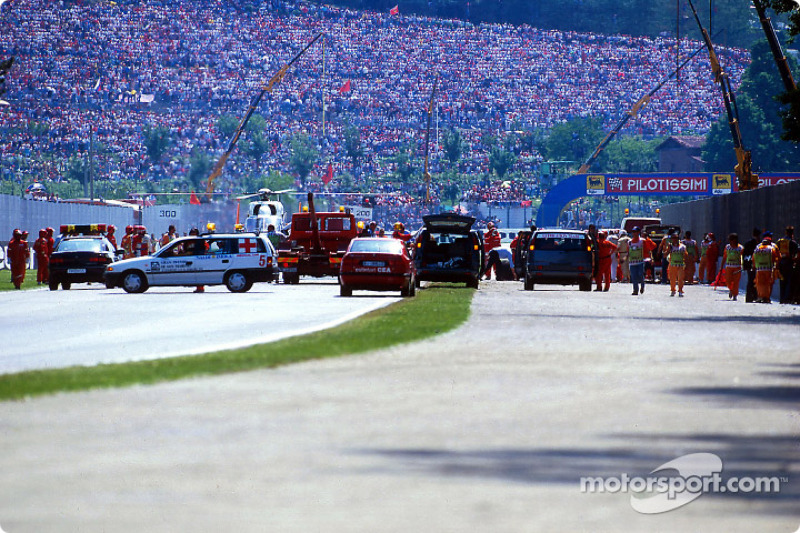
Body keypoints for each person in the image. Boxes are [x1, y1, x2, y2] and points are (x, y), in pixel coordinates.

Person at [752, 232, 780, 303]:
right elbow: (777, 257)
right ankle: (766, 297)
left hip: (759, 269)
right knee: (768, 284)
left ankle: (760, 296)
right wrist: (776, 266)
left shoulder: (758, 247)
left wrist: (754, 266)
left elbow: (753, 258)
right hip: (769, 268)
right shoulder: (772, 247)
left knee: (759, 283)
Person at [775, 226, 798, 304]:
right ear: (792, 233)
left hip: (781, 263)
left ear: (785, 232)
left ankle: (782, 299)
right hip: (789, 263)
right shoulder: (792, 242)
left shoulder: (779, 241)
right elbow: (796, 254)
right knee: (789, 281)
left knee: (782, 281)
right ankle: (787, 298)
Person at [722, 233, 744, 301]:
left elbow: (742, 258)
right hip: (728, 266)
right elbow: (724, 256)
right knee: (728, 281)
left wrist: (742, 265)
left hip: (737, 267)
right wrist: (721, 266)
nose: (731, 242)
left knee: (736, 282)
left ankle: (735, 295)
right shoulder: (727, 247)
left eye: (732, 240)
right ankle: (731, 289)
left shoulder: (740, 248)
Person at [742, 227, 761, 303]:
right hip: (755, 265)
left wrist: (745, 264)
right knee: (753, 281)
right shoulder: (758, 244)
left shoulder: (747, 243)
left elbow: (744, 255)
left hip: (749, 264)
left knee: (751, 280)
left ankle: (750, 297)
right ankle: (754, 296)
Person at [666, 232, 688, 297]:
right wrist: (668, 249)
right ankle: (673, 290)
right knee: (672, 278)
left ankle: (680, 290)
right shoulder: (670, 246)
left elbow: (686, 255)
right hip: (672, 264)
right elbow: (666, 254)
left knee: (680, 278)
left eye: (676, 238)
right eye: (673, 238)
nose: (674, 239)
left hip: (680, 264)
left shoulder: (683, 246)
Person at [628, 227, 646, 295]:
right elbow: (628, 251)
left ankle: (642, 286)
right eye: (633, 232)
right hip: (632, 262)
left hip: (640, 262)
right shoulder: (629, 242)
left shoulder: (642, 241)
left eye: (635, 232)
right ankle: (635, 290)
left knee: (640, 275)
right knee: (634, 276)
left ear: (638, 232)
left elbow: (647, 249)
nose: (634, 233)